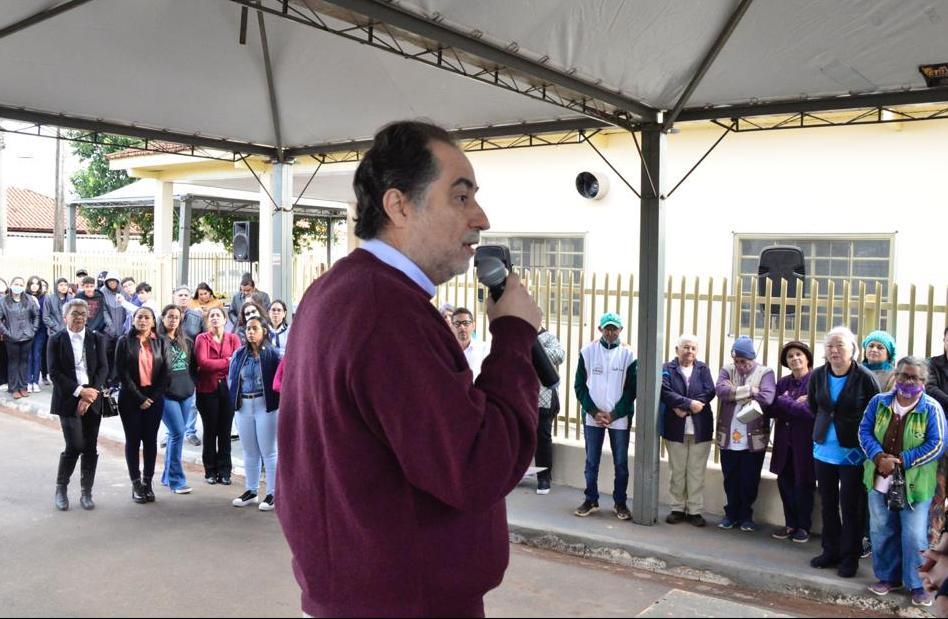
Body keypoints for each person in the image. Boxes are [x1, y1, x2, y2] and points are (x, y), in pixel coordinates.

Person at [275, 120, 541, 618]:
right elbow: (477, 467)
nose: (480, 218)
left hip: (365, 593)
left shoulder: (338, 291)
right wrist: (514, 338)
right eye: (460, 198)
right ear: (399, 205)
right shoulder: (387, 312)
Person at [861, 356, 945, 607]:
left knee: (914, 534)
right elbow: (863, 431)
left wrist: (901, 460)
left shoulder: (931, 408)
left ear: (924, 381)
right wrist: (878, 457)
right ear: (896, 376)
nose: (909, 381)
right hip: (879, 477)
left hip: (915, 484)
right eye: (905, 376)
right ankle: (887, 578)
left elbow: (938, 444)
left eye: (915, 377)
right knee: (881, 529)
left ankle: (917, 584)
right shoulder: (879, 402)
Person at [809, 326, 881, 578]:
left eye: (840, 345)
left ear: (853, 349)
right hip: (822, 450)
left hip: (853, 452)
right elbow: (813, 406)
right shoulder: (818, 375)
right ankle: (831, 550)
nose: (834, 350)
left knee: (851, 506)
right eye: (829, 346)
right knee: (827, 503)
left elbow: (876, 413)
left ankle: (850, 557)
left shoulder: (865, 377)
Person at [573, 312, 637, 521]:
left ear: (621, 330)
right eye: (607, 328)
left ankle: (620, 502)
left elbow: (631, 390)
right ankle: (591, 499)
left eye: (614, 328)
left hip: (619, 419)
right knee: (592, 461)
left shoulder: (629, 355)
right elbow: (579, 386)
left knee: (621, 463)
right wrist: (594, 411)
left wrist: (615, 413)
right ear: (600, 329)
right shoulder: (588, 352)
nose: (611, 332)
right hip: (593, 418)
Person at [48, 298, 109, 511]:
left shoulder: (96, 338)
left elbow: (103, 368)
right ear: (65, 317)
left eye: (83, 313)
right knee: (74, 445)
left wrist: (90, 395)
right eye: (75, 313)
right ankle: (61, 488)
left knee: (90, 447)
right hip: (67, 399)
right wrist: (79, 392)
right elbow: (54, 372)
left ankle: (86, 492)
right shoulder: (56, 340)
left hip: (93, 398)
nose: (80, 317)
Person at [714, 336, 776, 532]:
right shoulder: (727, 369)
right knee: (730, 476)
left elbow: (767, 397)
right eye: (737, 361)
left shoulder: (765, 372)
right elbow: (721, 390)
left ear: (752, 358)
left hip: (753, 438)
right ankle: (730, 513)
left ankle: (746, 515)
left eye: (744, 361)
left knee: (749, 478)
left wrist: (735, 392)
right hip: (728, 435)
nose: (740, 365)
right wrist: (750, 390)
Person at [114, 307, 171, 504]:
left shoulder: (161, 341)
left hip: (154, 398)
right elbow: (122, 373)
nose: (143, 320)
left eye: (147, 317)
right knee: (133, 441)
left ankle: (148, 482)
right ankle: (136, 483)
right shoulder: (124, 341)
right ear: (133, 320)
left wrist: (153, 397)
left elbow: (166, 372)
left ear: (153, 322)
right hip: (130, 397)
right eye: (139, 317)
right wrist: (140, 398)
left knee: (150, 441)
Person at [661, 334, 716, 527]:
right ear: (677, 349)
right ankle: (677, 508)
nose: (689, 351)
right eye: (686, 347)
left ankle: (695, 511)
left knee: (696, 471)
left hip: (700, 428)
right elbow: (664, 391)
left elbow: (710, 390)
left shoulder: (702, 368)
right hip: (675, 427)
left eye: (693, 348)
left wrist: (693, 404)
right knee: (677, 471)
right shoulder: (667, 369)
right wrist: (688, 403)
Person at [228, 316, 280, 511]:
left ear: (264, 331)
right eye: (248, 329)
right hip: (244, 405)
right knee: (249, 450)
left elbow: (279, 380)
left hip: (265, 406)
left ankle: (273, 493)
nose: (250, 332)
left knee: (269, 451)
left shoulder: (272, 354)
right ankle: (251, 490)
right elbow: (231, 379)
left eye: (254, 328)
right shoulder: (239, 354)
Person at [768, 341, 816, 543]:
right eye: (790, 356)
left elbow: (809, 412)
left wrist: (785, 401)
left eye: (799, 354)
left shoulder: (815, 380)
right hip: (783, 442)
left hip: (805, 442)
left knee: (803, 483)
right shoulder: (783, 382)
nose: (795, 358)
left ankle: (803, 526)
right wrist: (791, 403)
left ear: (807, 358)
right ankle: (790, 523)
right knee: (784, 482)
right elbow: (771, 409)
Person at [195, 307, 240, 486]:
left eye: (218, 315)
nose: (214, 318)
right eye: (211, 315)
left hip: (228, 390)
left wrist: (226, 363)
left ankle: (225, 471)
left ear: (225, 319)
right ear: (208, 320)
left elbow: (236, 363)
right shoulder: (202, 339)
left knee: (225, 431)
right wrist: (226, 362)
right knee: (210, 431)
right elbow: (203, 363)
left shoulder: (233, 338)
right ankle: (210, 471)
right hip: (207, 390)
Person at [158, 305, 197, 495]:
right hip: (166, 395)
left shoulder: (186, 341)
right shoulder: (156, 341)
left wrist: (192, 385)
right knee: (177, 432)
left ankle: (167, 475)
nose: (173, 320)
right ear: (163, 318)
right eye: (170, 316)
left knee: (177, 435)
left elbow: (193, 367)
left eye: (176, 317)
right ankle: (176, 480)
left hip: (186, 393)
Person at [535, 317, 565, 495]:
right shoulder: (519, 336)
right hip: (521, 397)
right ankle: (516, 474)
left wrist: (534, 349)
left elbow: (559, 355)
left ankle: (543, 478)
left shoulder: (548, 337)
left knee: (543, 439)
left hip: (544, 398)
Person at [0, 276, 41, 399]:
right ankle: (13, 388)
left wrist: (33, 330)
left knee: (24, 362)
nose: (18, 286)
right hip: (11, 337)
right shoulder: (3, 301)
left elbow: (37, 315)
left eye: (20, 284)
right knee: (13, 362)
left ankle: (23, 386)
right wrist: (7, 332)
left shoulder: (29, 299)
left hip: (27, 336)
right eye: (16, 284)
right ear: (11, 285)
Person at [928, 328, 948, 544]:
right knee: (937, 496)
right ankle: (933, 544)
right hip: (940, 441)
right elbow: (930, 389)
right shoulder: (932, 364)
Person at [451, 306, 489, 379]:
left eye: (466, 323)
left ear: (473, 325)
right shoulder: (447, 350)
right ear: (452, 326)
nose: (462, 327)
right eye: (457, 323)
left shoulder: (484, 349)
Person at [25, 275, 46, 393]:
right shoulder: (24, 296)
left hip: (40, 331)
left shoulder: (44, 298)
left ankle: (35, 382)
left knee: (37, 355)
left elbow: (44, 314)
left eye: (37, 283)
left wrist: (37, 304)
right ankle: (28, 381)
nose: (34, 285)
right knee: (29, 356)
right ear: (28, 285)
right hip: (27, 331)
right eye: (32, 283)